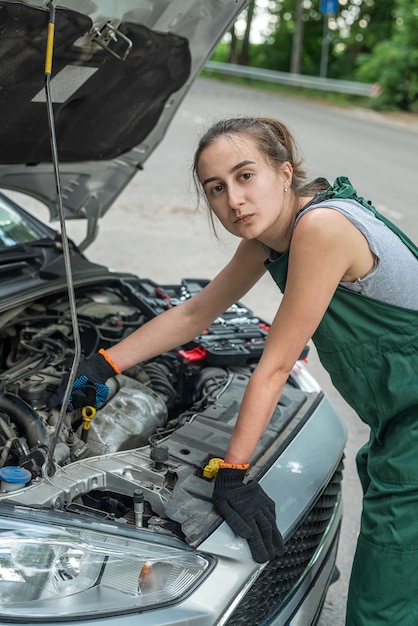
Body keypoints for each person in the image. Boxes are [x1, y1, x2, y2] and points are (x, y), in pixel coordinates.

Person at [58, 116, 418, 626]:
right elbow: (195, 313)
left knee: (384, 601)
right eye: (216, 189)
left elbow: (275, 365)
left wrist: (234, 473)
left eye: (245, 176)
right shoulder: (273, 239)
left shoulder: (321, 228)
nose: (234, 200)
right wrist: (106, 362)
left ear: (285, 172)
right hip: (400, 416)